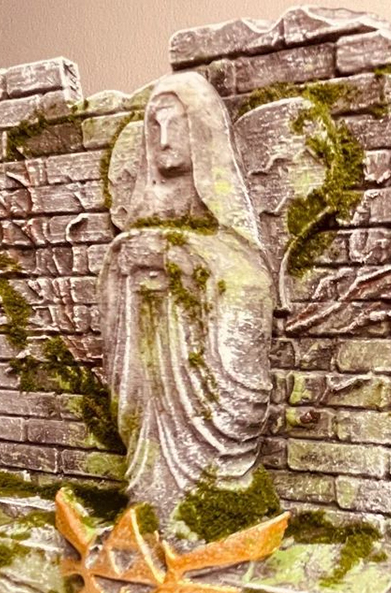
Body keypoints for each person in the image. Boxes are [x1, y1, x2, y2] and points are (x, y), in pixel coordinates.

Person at [99, 71, 274, 526]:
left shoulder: (222, 219)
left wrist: (180, 255)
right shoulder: (145, 209)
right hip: (151, 360)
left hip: (199, 369)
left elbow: (249, 279)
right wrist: (125, 258)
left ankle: (208, 510)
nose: (163, 139)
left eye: (174, 125)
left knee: (209, 479)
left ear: (200, 130)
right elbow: (118, 273)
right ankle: (150, 509)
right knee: (149, 459)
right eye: (154, 126)